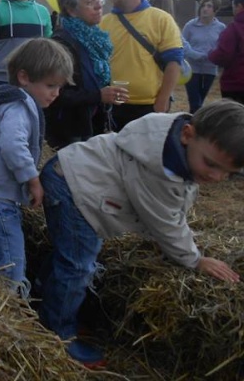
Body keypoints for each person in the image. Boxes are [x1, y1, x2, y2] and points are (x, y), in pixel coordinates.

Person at [37, 99, 244, 368]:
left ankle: (45, 295)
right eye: (211, 164)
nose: (217, 177)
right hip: (75, 189)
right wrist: (194, 259)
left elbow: (174, 205)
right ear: (188, 134)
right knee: (78, 265)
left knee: (72, 254)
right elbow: (165, 224)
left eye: (229, 174)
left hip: (77, 175)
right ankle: (58, 333)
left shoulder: (173, 138)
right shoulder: (160, 171)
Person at [0, 38, 73, 297]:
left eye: (60, 87)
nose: (56, 93)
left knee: (7, 263)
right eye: (50, 85)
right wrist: (32, 180)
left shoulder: (13, 103)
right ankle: (8, 315)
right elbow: (12, 145)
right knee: (10, 270)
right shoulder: (16, 106)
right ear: (24, 77)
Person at [99, 0, 183, 130]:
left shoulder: (161, 20)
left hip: (149, 106)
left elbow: (174, 63)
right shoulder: (104, 23)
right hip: (114, 106)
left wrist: (162, 101)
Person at [44, 0, 125, 148]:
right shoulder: (62, 43)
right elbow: (55, 94)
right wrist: (99, 95)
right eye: (90, 2)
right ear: (71, 10)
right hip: (72, 130)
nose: (98, 6)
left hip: (95, 123)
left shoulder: (96, 38)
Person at [182, 0, 226, 112]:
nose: (205, 9)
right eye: (203, 6)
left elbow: (222, 46)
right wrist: (193, 53)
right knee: (195, 102)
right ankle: (193, 125)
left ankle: (195, 124)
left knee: (201, 100)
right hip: (192, 69)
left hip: (210, 68)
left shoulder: (221, 28)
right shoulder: (190, 25)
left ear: (215, 10)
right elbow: (182, 42)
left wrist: (212, 56)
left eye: (209, 6)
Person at [209, 0, 244, 105]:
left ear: (239, 6)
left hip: (236, 84)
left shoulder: (234, 28)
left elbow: (224, 55)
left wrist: (211, 54)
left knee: (235, 119)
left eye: (233, 6)